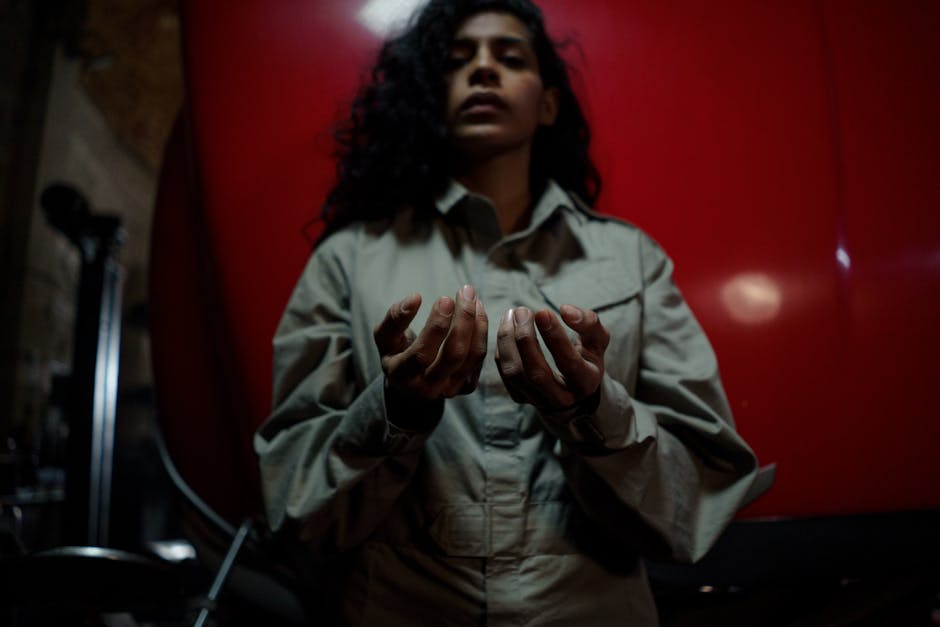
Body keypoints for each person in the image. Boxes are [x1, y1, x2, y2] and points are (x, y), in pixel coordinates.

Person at [254, 0, 758, 624]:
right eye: (458, 60)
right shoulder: (348, 261)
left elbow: (699, 500)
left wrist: (593, 411)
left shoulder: (632, 259)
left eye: (509, 57)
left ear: (547, 104)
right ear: (427, 97)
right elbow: (296, 507)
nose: (484, 70)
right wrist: (395, 409)